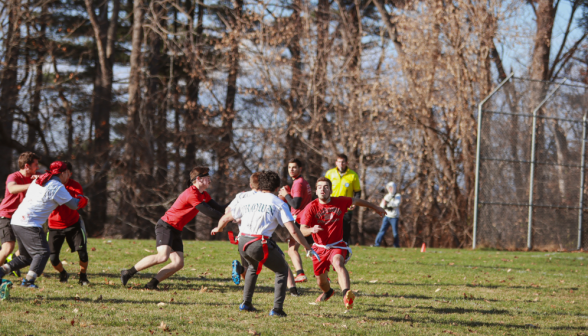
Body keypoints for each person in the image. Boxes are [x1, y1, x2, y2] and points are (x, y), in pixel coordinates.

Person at [211, 170, 319, 317]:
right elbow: (293, 231)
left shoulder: (247, 200)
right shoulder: (278, 203)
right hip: (258, 242)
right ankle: (277, 309)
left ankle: (246, 303)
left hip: (242, 241)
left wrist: (219, 228)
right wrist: (307, 247)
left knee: (252, 268)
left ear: (260, 185)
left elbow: (227, 217)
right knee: (282, 270)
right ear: (276, 188)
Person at [120, 166, 225, 289]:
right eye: (208, 177)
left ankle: (151, 284)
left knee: (178, 263)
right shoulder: (192, 194)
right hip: (166, 226)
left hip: (176, 229)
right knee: (162, 256)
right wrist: (227, 218)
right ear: (199, 179)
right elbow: (210, 212)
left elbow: (220, 209)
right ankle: (128, 272)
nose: (210, 180)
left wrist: (238, 202)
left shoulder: (204, 195)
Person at [298, 177, 386, 309]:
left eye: (326, 187)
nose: (323, 189)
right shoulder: (311, 207)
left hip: (337, 245)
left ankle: (346, 296)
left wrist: (376, 207)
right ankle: (328, 292)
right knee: (321, 281)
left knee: (338, 263)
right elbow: (302, 230)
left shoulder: (340, 201)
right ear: (316, 191)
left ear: (331, 191)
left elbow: (357, 200)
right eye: (320, 187)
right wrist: (311, 229)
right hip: (319, 248)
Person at [0, 161, 81, 288]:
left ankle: (1, 271)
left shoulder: (39, 181)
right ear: (64, 173)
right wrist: (82, 198)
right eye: (67, 174)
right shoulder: (57, 186)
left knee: (25, 257)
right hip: (30, 223)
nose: (69, 177)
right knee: (42, 253)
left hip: (17, 220)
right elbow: (74, 205)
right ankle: (28, 282)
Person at [47, 162, 90, 284]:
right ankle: (63, 273)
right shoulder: (50, 184)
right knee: (53, 258)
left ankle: (83, 276)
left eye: (67, 173)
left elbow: (79, 199)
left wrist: (82, 200)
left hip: (73, 224)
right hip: (54, 226)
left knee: (82, 253)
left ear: (69, 173)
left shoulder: (74, 185)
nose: (66, 175)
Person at [0, 152, 40, 272]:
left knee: (27, 248)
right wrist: (33, 184)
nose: (38, 167)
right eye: (36, 165)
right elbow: (12, 189)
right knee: (8, 247)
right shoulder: (14, 176)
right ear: (27, 166)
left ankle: (11, 264)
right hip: (7, 215)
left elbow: (50, 177)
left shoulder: (36, 176)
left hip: (22, 218)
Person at [278, 158, 312, 283]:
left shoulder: (298, 183)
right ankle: (322, 274)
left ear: (300, 169)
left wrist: (285, 194)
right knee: (308, 247)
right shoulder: (303, 182)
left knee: (293, 249)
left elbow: (296, 205)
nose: (291, 170)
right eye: (289, 167)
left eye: (294, 167)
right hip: (306, 218)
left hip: (299, 219)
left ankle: (301, 274)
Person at [225, 172, 260, 284]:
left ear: (250, 185)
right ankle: (242, 272)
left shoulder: (242, 195)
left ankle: (240, 270)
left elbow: (228, 211)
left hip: (242, 237)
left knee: (247, 266)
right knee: (253, 267)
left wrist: (237, 219)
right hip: (259, 237)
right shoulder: (265, 197)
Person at [324, 154, 361, 245]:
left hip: (346, 208)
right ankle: (329, 247)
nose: (341, 164)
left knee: (345, 229)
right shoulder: (329, 173)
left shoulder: (353, 175)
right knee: (330, 227)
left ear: (347, 163)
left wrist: (354, 203)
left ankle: (345, 248)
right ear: (336, 162)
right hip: (331, 206)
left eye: (343, 162)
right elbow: (324, 188)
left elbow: (358, 192)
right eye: (339, 162)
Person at [374, 182, 401, 247]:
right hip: (387, 216)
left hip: (394, 216)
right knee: (382, 230)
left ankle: (396, 245)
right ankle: (377, 244)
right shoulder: (386, 196)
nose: (390, 189)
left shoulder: (397, 196)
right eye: (389, 188)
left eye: (391, 188)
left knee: (395, 232)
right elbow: (382, 205)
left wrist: (388, 203)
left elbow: (396, 204)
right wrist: (384, 203)